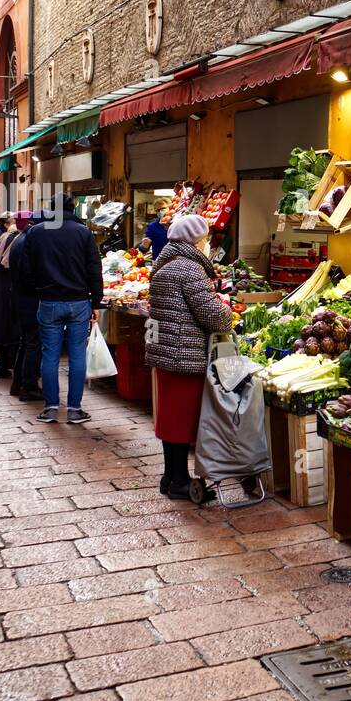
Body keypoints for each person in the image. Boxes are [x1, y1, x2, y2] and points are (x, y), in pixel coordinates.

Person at [143, 214, 234, 499]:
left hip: (165, 351)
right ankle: (181, 482)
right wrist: (227, 311)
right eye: (205, 238)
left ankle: (171, 476)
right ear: (196, 240)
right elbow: (213, 316)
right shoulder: (190, 270)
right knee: (182, 417)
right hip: (184, 353)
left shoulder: (163, 266)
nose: (207, 243)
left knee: (169, 416)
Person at [12, 193, 102, 424]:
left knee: (49, 355)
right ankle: (74, 409)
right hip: (79, 302)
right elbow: (94, 270)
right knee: (76, 356)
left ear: (50, 208)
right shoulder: (83, 233)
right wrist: (96, 302)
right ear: (73, 208)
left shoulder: (36, 232)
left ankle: (51, 407)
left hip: (48, 301)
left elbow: (25, 270)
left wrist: (40, 288)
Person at [5, 211, 43, 400]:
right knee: (33, 342)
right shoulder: (28, 240)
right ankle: (28, 387)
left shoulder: (20, 238)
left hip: (20, 298)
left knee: (26, 341)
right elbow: (28, 274)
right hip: (29, 299)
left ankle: (18, 383)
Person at [0, 217, 21, 379]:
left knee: (2, 328)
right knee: (15, 329)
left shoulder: (2, 240)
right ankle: (13, 364)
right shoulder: (18, 243)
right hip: (13, 294)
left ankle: (2, 366)